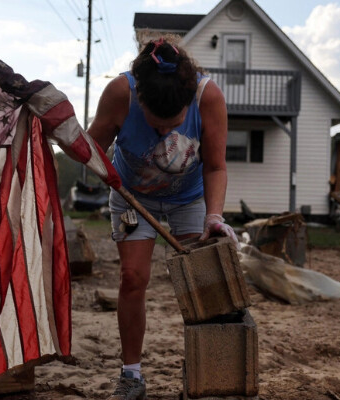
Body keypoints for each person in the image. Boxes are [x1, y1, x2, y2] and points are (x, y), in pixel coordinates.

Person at [87, 36, 239, 400]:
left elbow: (216, 166)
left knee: (205, 282)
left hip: (189, 199)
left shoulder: (209, 98)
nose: (165, 133)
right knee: (133, 278)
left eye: (173, 125)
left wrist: (214, 216)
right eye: (156, 126)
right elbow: (91, 148)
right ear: (140, 99)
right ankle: (132, 376)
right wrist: (97, 166)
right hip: (132, 196)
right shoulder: (119, 93)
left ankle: (208, 373)